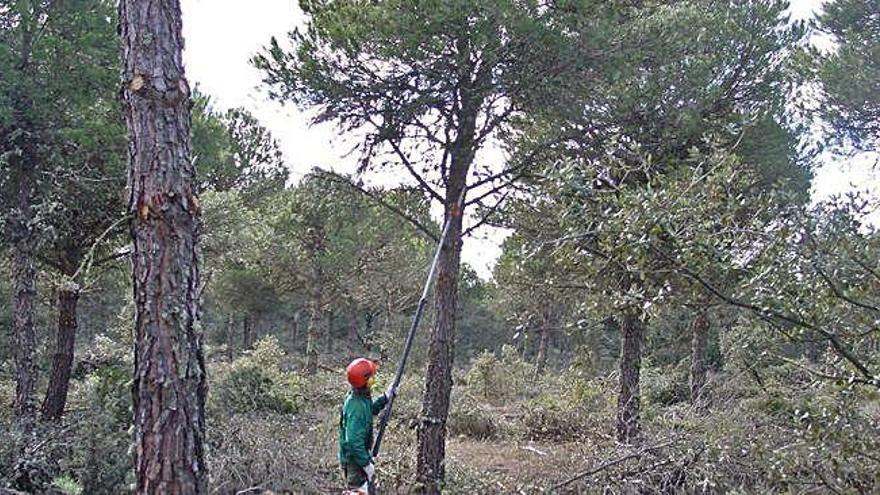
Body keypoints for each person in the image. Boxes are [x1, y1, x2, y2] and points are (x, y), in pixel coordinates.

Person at [339, 358, 396, 494]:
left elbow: (369, 410)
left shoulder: (360, 397)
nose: (373, 379)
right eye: (371, 377)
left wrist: (385, 398)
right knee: (357, 491)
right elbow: (353, 442)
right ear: (365, 380)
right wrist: (366, 463)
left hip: (359, 456)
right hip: (354, 461)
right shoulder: (356, 407)